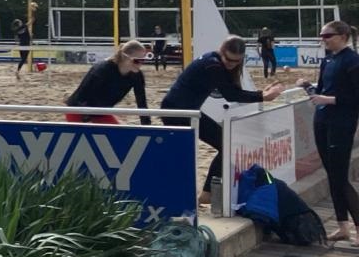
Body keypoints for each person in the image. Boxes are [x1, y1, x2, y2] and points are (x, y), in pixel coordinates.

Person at [161, 36, 285, 208]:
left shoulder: (222, 64)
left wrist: (259, 93)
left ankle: (206, 194)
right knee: (183, 154)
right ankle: (187, 195)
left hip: (190, 110)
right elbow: (231, 94)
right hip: (175, 110)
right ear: (221, 51)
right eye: (228, 59)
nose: (231, 64)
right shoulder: (212, 64)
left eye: (236, 61)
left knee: (225, 145)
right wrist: (262, 96)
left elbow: (234, 90)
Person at [310, 21, 359, 244]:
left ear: (342, 36)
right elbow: (321, 90)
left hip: (341, 122)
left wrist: (330, 100)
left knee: (339, 176)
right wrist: (307, 88)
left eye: (328, 35)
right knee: (332, 173)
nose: (324, 39)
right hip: (322, 120)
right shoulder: (327, 60)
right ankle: (342, 226)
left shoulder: (352, 61)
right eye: (321, 35)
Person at [65, 40, 152, 124]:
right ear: (125, 57)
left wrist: (146, 126)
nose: (140, 64)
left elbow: (141, 102)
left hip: (102, 112)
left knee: (118, 135)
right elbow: (85, 95)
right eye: (137, 61)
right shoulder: (102, 69)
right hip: (78, 110)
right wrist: (87, 119)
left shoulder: (137, 75)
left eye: (143, 60)